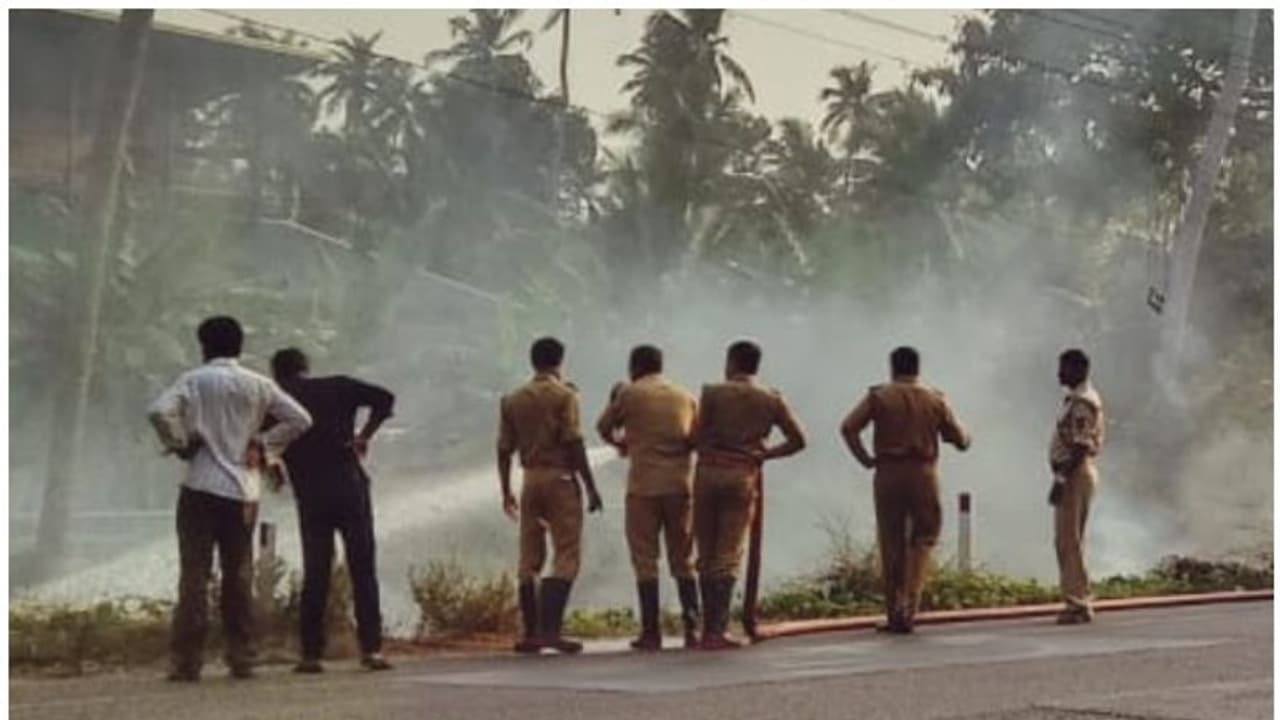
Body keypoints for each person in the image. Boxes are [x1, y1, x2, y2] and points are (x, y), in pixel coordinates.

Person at [147, 316, 312, 682]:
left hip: (199, 487)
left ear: (204, 346)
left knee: (194, 575)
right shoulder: (258, 383)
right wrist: (263, 444)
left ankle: (187, 661)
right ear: (239, 345)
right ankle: (241, 656)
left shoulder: (194, 380)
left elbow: (158, 411)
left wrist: (179, 442)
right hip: (243, 493)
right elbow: (300, 419)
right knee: (239, 574)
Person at [270, 348, 395, 673]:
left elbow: (265, 443)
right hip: (349, 487)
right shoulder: (339, 386)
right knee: (363, 568)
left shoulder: (276, 400)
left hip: (311, 494)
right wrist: (364, 436)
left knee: (316, 572)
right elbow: (385, 399)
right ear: (306, 367)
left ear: (276, 374)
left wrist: (275, 466)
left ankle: (311, 654)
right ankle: (372, 649)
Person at [840, 346, 970, 634]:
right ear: (917, 368)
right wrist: (964, 437)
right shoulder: (934, 398)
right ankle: (910, 606)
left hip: (887, 472)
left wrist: (866, 459)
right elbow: (959, 438)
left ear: (892, 368)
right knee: (923, 537)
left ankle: (893, 613)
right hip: (923, 472)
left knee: (891, 541)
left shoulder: (879, 396)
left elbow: (849, 427)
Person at [692, 340, 807, 650]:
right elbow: (798, 440)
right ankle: (717, 630)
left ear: (731, 362)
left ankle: (706, 629)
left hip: (707, 473)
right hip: (742, 475)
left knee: (705, 551)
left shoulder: (711, 393)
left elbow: (696, 435)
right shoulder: (771, 399)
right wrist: (765, 454)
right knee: (728, 553)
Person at [497, 337, 604, 654]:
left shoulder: (512, 399)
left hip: (529, 480)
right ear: (560, 361)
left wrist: (506, 490)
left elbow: (503, 449)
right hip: (560, 479)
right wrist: (590, 486)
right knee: (566, 554)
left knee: (529, 556)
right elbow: (574, 442)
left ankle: (531, 633)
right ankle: (550, 631)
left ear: (533, 361)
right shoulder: (565, 396)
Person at [596, 344, 700, 650]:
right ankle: (693, 628)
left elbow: (603, 427)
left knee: (645, 560)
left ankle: (651, 632)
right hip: (680, 486)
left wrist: (622, 445)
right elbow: (696, 438)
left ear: (634, 367)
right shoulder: (685, 396)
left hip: (643, 488)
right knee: (683, 559)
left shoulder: (629, 394)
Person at [1048, 349, 1105, 625]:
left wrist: (1061, 479)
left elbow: (1081, 445)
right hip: (1074, 473)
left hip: (1074, 475)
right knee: (1068, 539)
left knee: (1068, 540)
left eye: (1064, 368)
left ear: (1080, 369)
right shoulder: (1076, 399)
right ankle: (1077, 599)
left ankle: (1078, 604)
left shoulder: (1082, 402)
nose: (1059, 374)